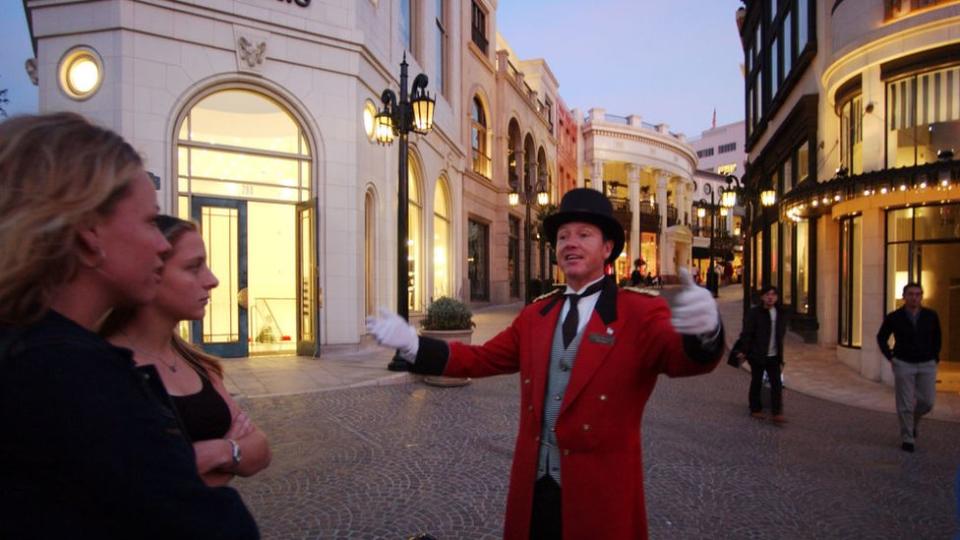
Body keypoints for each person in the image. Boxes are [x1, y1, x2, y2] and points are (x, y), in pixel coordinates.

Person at [367, 188, 724, 539]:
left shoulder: (640, 312)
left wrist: (705, 333)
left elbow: (680, 359)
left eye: (584, 234)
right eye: (564, 236)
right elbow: (481, 359)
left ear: (608, 248)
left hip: (600, 492)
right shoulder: (536, 314)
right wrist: (415, 345)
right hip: (536, 486)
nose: (571, 243)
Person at [0, 113, 259, 538]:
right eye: (147, 222)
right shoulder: (75, 379)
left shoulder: (29, 353)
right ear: (89, 233)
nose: (160, 244)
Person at [103, 216, 271, 485]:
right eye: (194, 267)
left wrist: (221, 451)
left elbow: (260, 450)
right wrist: (226, 455)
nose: (212, 280)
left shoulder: (197, 362)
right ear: (149, 273)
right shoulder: (105, 367)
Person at [876, 282, 941, 452]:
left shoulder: (930, 316)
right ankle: (907, 437)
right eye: (911, 294)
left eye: (918, 294)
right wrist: (891, 358)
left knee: (927, 402)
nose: (914, 297)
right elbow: (881, 337)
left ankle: (912, 421)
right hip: (903, 363)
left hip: (927, 363)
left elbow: (937, 338)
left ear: (922, 296)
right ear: (904, 297)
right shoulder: (894, 317)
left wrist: (935, 357)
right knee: (904, 402)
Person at [734, 285, 788, 423]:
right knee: (756, 381)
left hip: (774, 355)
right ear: (762, 297)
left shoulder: (780, 313)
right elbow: (747, 333)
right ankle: (755, 409)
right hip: (757, 354)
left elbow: (780, 335)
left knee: (776, 383)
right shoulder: (755, 313)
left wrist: (780, 356)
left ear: (777, 297)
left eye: (773, 295)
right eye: (767, 294)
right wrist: (744, 351)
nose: (770, 297)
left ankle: (777, 412)